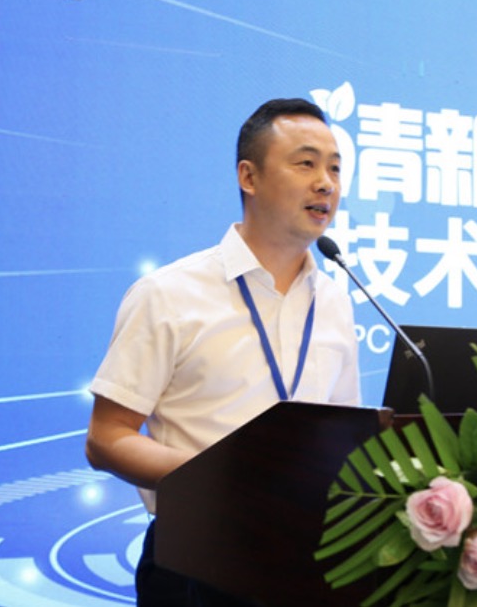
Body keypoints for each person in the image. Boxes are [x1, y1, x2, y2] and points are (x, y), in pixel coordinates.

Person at [85, 98, 361, 606]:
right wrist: (222, 482)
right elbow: (106, 438)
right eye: (306, 164)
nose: (326, 183)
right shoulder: (169, 293)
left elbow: (342, 439)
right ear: (248, 177)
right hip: (197, 556)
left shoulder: (335, 302)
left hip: (305, 556)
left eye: (335, 168)